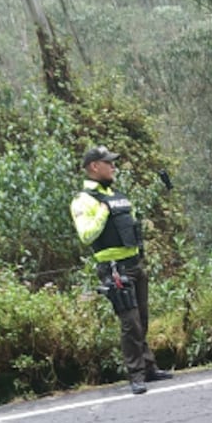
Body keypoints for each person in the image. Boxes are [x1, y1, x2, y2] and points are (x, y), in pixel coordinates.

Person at [70, 145, 173, 394]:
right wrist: (104, 213)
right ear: (94, 166)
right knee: (130, 324)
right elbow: (86, 235)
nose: (113, 166)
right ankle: (135, 374)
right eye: (109, 163)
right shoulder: (83, 200)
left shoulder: (118, 195)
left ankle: (149, 368)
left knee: (143, 319)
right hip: (114, 268)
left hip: (135, 263)